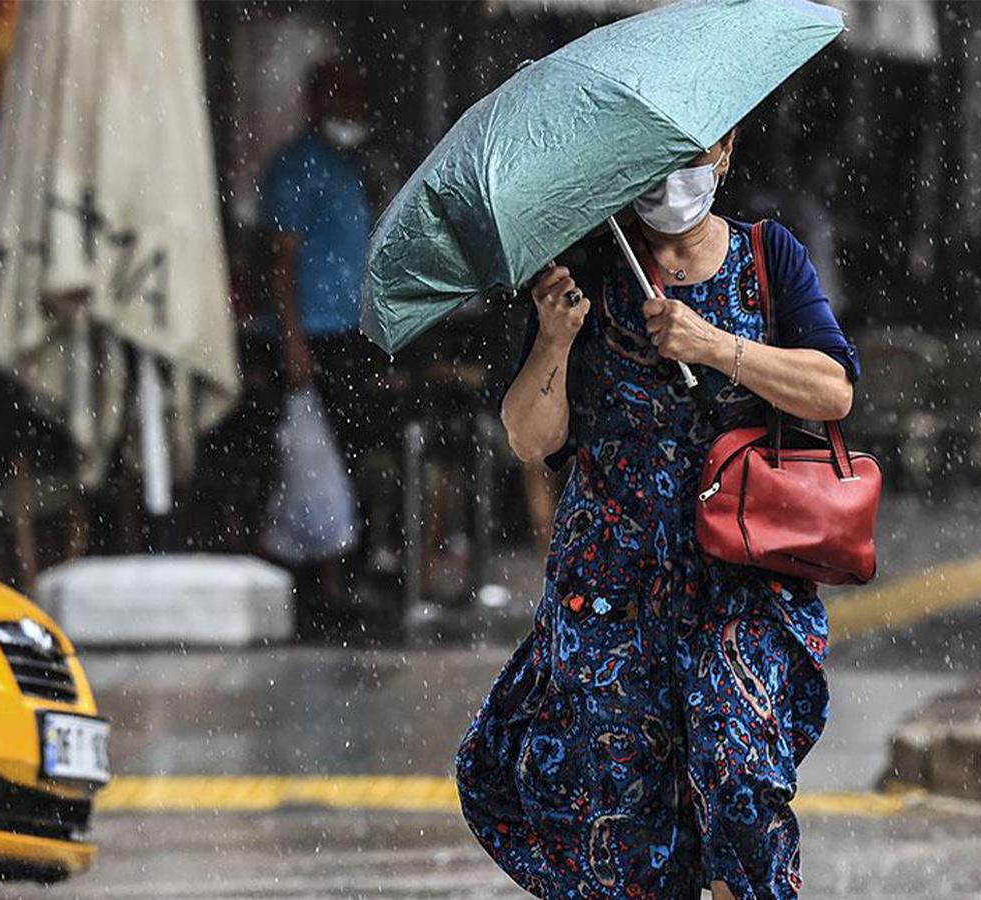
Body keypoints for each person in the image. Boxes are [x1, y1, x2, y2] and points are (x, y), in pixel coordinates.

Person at [455, 129, 859, 900]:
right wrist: (553, 339)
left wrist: (715, 346)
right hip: (611, 591)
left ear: (729, 152)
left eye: (695, 155)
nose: (675, 178)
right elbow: (529, 437)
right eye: (654, 162)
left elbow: (833, 389)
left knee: (743, 788)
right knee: (623, 827)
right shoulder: (588, 269)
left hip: (741, 582)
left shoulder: (769, 258)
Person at [261, 60, 378, 639]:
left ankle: (343, 576)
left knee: (346, 457)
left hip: (351, 330)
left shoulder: (350, 165)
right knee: (316, 460)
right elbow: (281, 259)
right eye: (345, 97)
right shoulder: (297, 166)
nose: (356, 109)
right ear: (317, 102)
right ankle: (320, 586)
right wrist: (293, 342)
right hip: (315, 331)